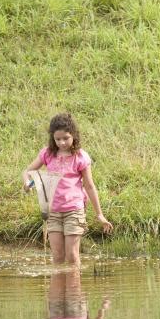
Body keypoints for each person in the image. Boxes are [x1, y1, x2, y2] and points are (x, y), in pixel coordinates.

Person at [22, 113, 113, 266]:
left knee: (71, 256)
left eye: (66, 138)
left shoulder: (80, 157)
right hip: (53, 211)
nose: (62, 143)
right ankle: (58, 289)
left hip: (74, 210)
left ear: (74, 136)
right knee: (57, 256)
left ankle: (74, 290)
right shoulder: (48, 154)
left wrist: (100, 215)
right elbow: (27, 172)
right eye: (58, 139)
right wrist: (26, 183)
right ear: (53, 138)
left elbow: (89, 186)